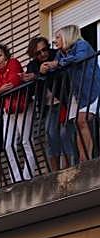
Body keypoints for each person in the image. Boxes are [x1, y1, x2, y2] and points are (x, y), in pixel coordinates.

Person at [42, 25, 100, 162]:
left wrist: (57, 63)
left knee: (81, 121)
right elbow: (55, 68)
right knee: (80, 122)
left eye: (57, 37)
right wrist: (43, 70)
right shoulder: (61, 53)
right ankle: (84, 159)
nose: (55, 41)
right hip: (83, 94)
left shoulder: (82, 44)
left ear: (67, 36)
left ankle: (85, 159)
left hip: (94, 89)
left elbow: (78, 58)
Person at [0, 43, 35, 184]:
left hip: (23, 105)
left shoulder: (13, 62)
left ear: (6, 55)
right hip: (7, 109)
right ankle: (16, 177)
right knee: (8, 145)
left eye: (0, 55)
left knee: (26, 141)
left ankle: (28, 175)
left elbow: (14, 81)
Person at [25, 36, 76, 172]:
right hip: (47, 106)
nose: (43, 54)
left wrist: (42, 74)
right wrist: (38, 74)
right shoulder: (32, 66)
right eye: (38, 53)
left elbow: (64, 74)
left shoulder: (56, 55)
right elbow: (29, 90)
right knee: (50, 134)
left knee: (65, 132)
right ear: (33, 55)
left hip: (64, 101)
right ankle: (54, 171)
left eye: (44, 50)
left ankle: (68, 167)